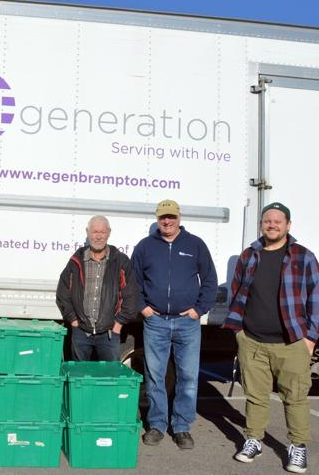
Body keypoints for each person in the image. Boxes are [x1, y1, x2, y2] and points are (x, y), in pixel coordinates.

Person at [224, 203, 316, 474]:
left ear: (288, 225)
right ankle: (254, 439)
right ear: (262, 224)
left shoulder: (303, 256)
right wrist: (239, 331)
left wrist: (310, 339)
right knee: (255, 396)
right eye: (267, 221)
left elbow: (317, 299)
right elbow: (237, 290)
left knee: (295, 398)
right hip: (252, 341)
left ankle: (297, 446)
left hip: (291, 343)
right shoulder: (249, 255)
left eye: (278, 221)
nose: (272, 225)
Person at [131, 199, 217, 449]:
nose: (166, 221)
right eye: (162, 217)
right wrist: (143, 308)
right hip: (155, 321)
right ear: (157, 220)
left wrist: (199, 310)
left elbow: (210, 280)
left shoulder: (195, 245)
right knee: (155, 376)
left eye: (171, 216)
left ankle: (181, 427)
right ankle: (157, 425)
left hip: (187, 323)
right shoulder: (146, 247)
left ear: (179, 217)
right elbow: (133, 281)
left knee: (188, 377)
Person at [56, 215, 138, 361]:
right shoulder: (76, 261)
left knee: (109, 378)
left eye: (102, 232)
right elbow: (63, 293)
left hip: (109, 334)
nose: (98, 236)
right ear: (88, 232)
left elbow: (131, 296)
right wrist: (74, 321)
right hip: (81, 333)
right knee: (80, 377)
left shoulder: (120, 261)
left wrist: (118, 324)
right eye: (95, 232)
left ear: (108, 233)